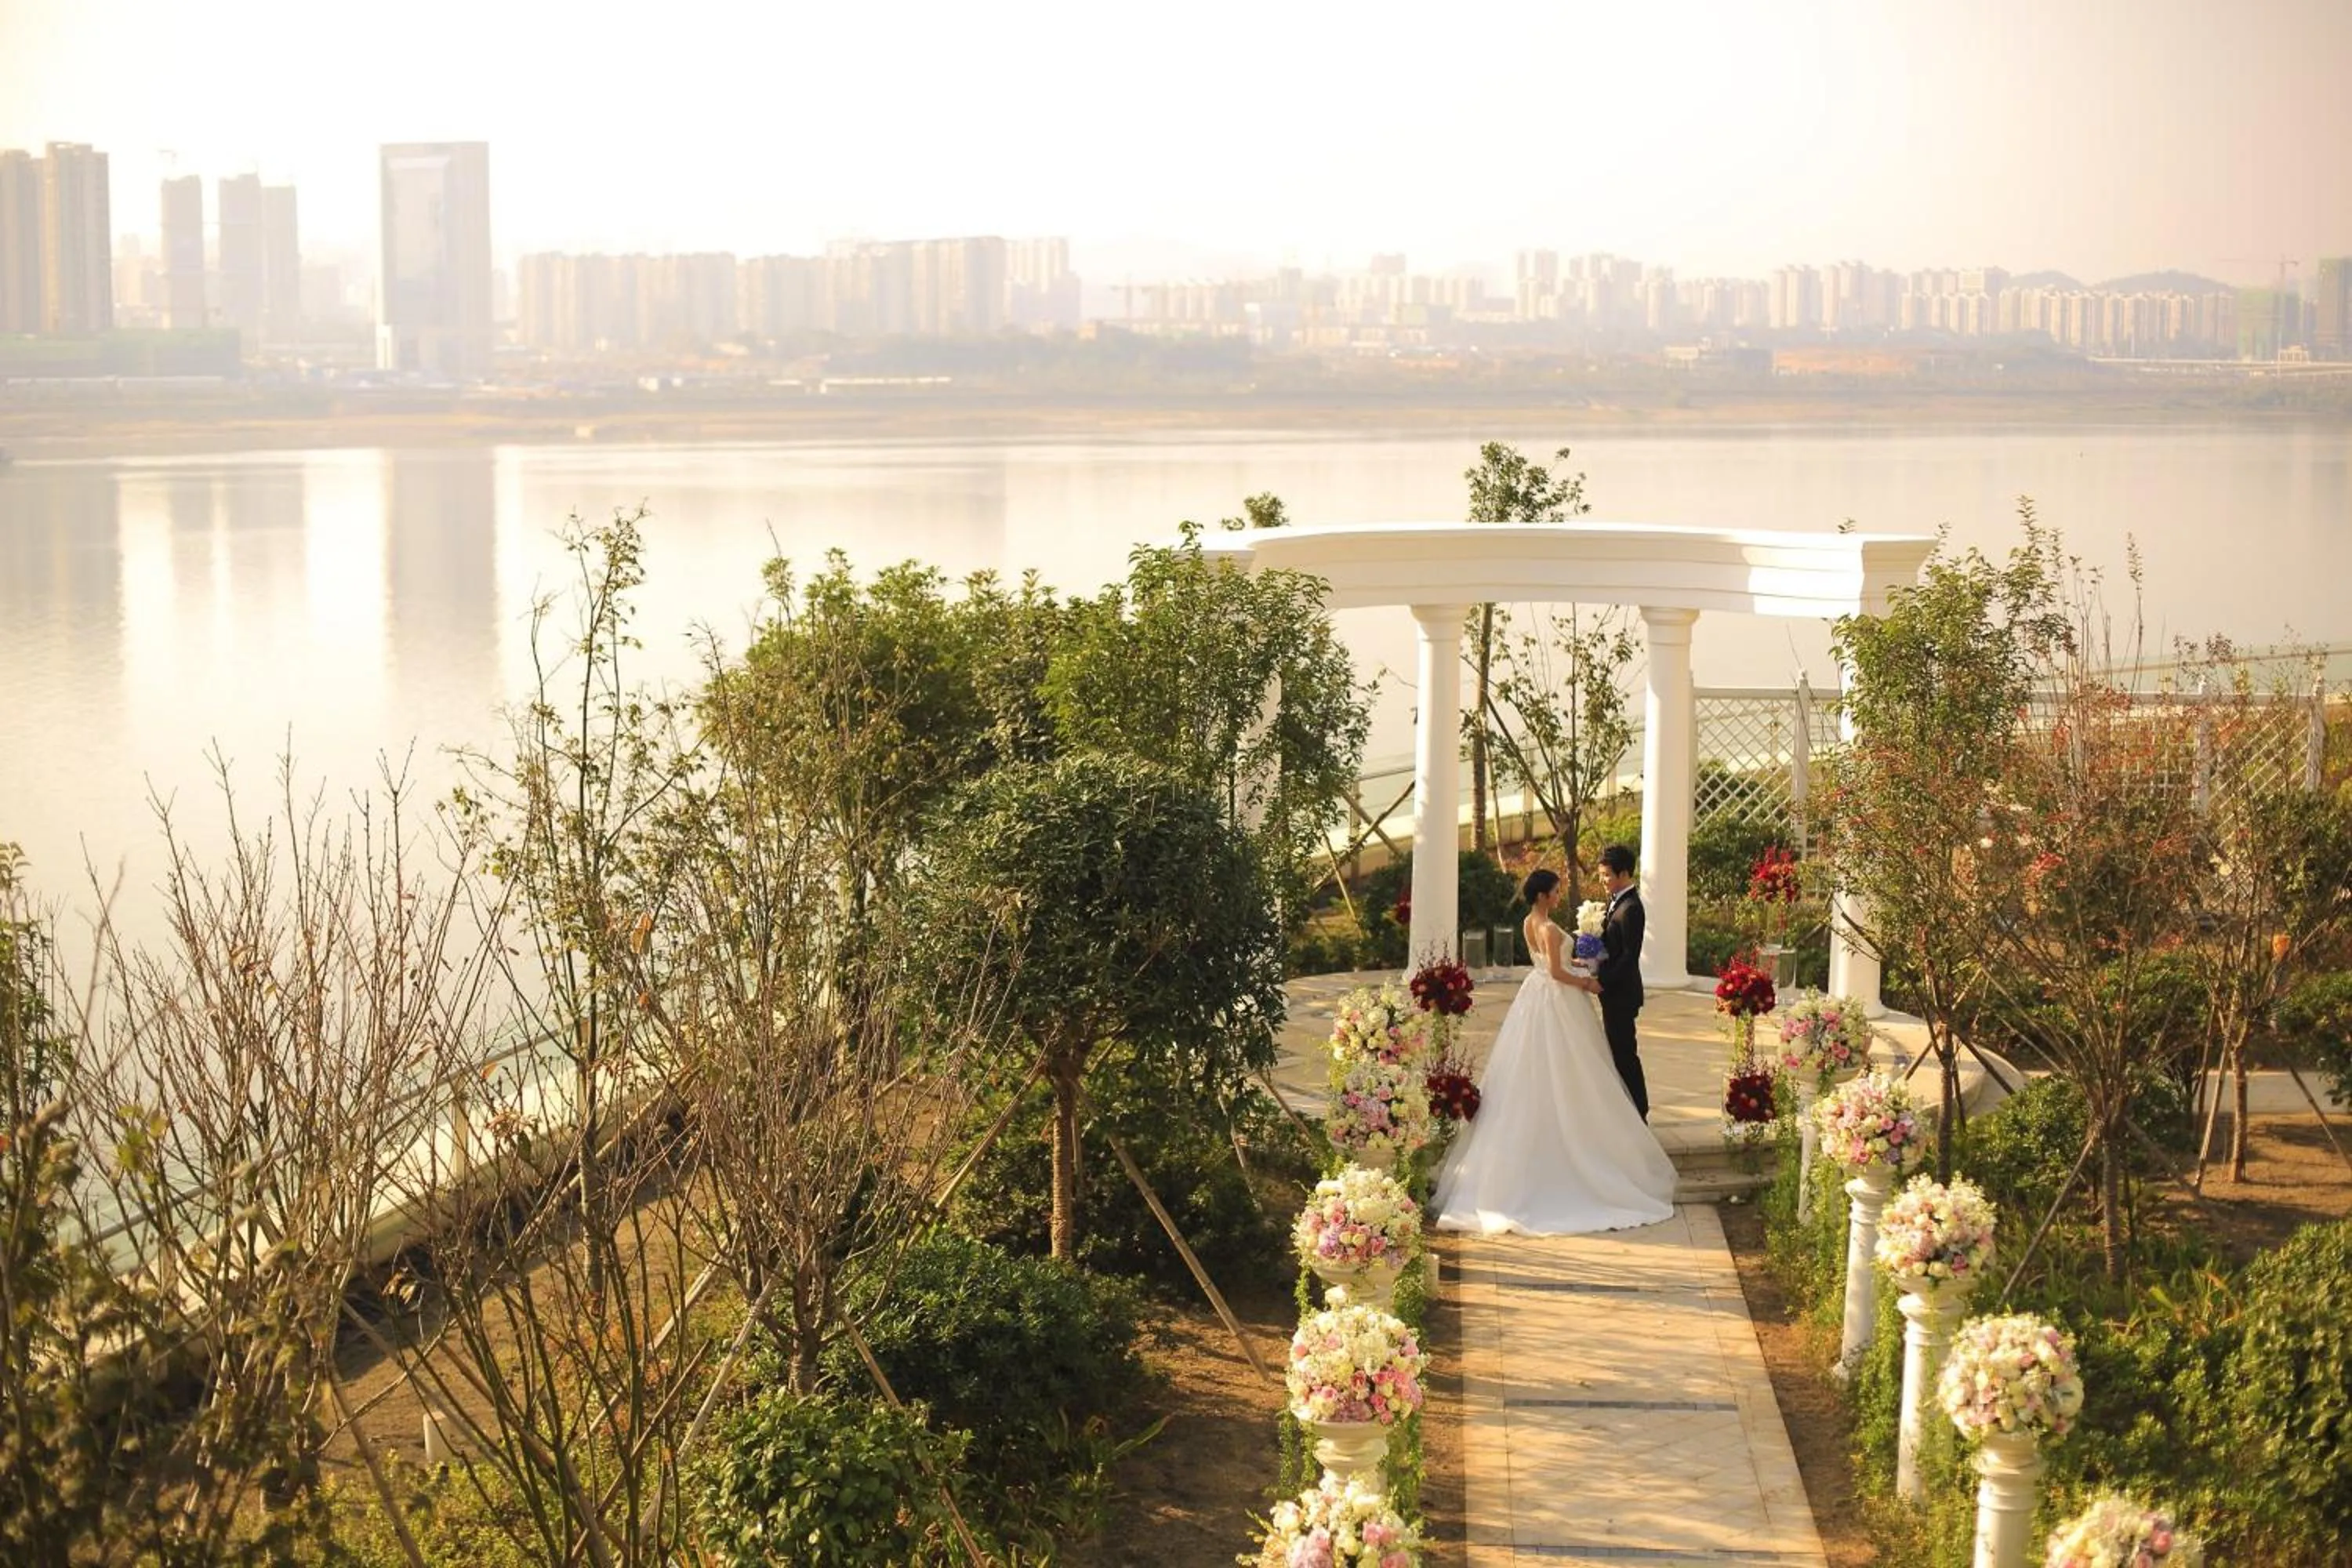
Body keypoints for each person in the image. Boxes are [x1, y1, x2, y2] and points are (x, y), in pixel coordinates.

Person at [1431, 866, 1677, 1236]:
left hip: (1537, 992)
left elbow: (1548, 965)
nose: (1560, 896)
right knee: (1576, 1067)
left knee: (1540, 1068)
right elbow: (1558, 973)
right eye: (1556, 891)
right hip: (1557, 995)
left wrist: (1581, 963)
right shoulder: (1546, 927)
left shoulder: (1528, 921)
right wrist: (1587, 983)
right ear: (1544, 895)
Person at [1592, 843, 1650, 1120]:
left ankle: (1639, 1113)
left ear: (1624, 873)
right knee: (1617, 1053)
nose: (1603, 881)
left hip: (1621, 994)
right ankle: (1627, 1111)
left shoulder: (1631, 908)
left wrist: (1602, 981)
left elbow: (1629, 957)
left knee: (1625, 1054)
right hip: (1613, 993)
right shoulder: (1615, 901)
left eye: (1607, 875)